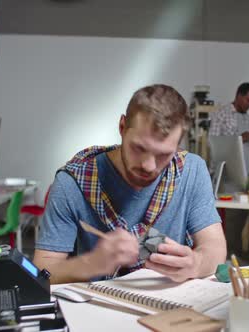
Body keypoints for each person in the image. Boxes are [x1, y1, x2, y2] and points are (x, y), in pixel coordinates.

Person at [33, 84, 227, 284]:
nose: (149, 166)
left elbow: (215, 248)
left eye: (163, 155)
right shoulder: (72, 183)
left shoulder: (191, 170)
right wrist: (91, 263)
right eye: (139, 148)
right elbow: (43, 271)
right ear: (122, 128)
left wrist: (196, 262)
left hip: (168, 308)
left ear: (177, 146)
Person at [209, 82, 249, 176]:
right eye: (248, 100)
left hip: (248, 173)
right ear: (239, 96)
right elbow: (214, 145)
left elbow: (246, 148)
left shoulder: (247, 118)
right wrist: (240, 139)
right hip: (229, 173)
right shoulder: (221, 114)